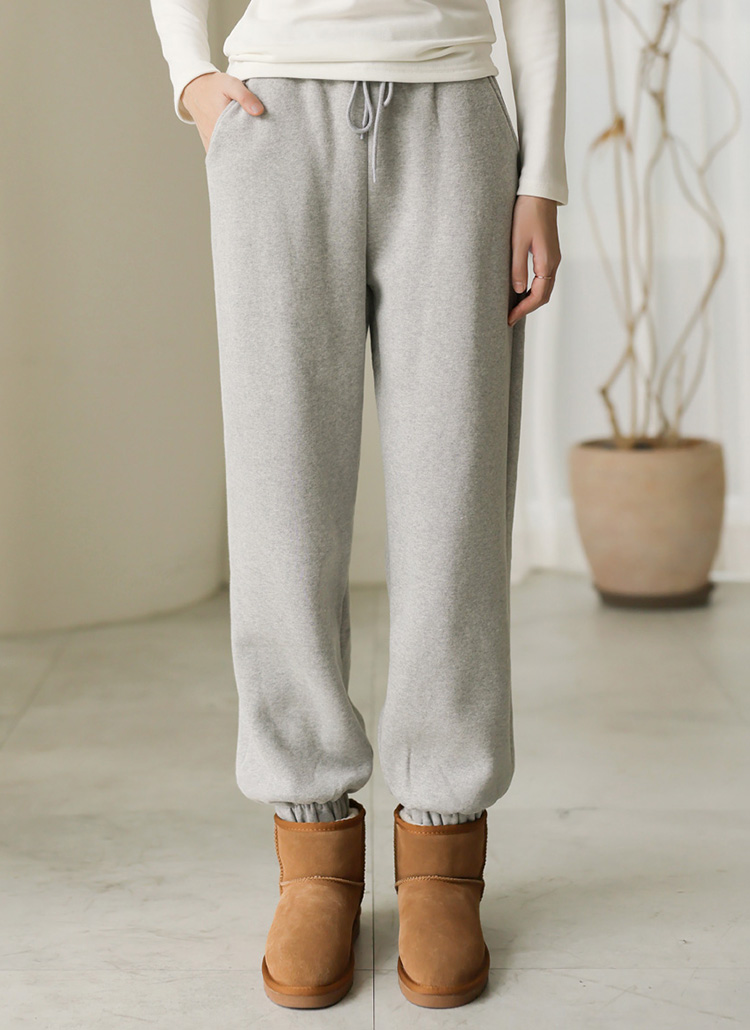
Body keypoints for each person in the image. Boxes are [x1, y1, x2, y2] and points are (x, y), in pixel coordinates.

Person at [150, 0, 567, 1010]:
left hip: (455, 119)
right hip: (274, 122)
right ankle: (313, 856)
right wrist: (191, 76)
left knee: (456, 503)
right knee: (281, 500)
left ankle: (443, 852)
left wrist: (542, 177)